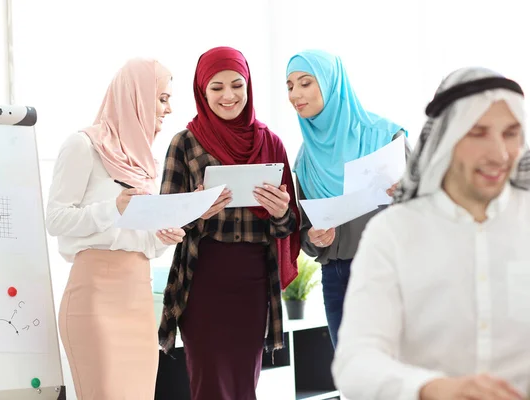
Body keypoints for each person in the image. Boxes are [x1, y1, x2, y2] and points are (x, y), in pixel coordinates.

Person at [332, 67, 530, 400]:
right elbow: (355, 362)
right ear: (446, 139)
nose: (499, 153)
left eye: (511, 133)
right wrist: (433, 389)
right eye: (477, 132)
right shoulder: (393, 233)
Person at [158, 46, 301, 400]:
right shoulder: (185, 143)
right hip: (203, 280)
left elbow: (289, 227)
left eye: (237, 85)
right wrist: (196, 211)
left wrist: (282, 211)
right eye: (217, 88)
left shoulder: (270, 142)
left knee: (243, 387)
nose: (229, 96)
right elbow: (165, 219)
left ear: (249, 86)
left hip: (253, 284)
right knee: (209, 386)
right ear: (202, 92)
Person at [46, 58, 185, 400]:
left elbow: (145, 245)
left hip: (139, 298)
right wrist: (114, 207)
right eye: (162, 98)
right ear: (136, 95)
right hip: (95, 299)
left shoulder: (147, 163)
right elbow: (55, 219)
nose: (168, 109)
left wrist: (164, 238)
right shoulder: (83, 146)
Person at [286, 49, 409, 347]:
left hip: (384, 272)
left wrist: (406, 194)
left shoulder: (385, 136)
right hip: (335, 276)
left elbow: (427, 206)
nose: (294, 94)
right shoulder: (305, 158)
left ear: (331, 83)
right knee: (352, 378)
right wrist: (315, 238)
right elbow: (303, 231)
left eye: (305, 83)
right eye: (289, 86)